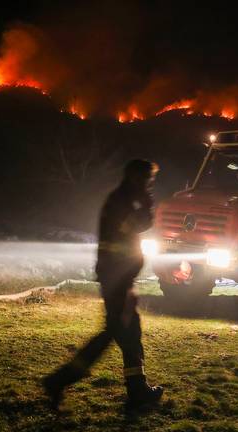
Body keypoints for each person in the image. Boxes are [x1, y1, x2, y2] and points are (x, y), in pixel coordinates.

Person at [43, 159, 163, 411]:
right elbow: (136, 225)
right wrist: (147, 206)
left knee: (128, 332)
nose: (148, 185)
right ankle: (59, 381)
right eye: (146, 180)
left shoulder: (120, 199)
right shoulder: (123, 202)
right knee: (115, 333)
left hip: (118, 276)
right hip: (117, 277)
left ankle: (137, 388)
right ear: (136, 178)